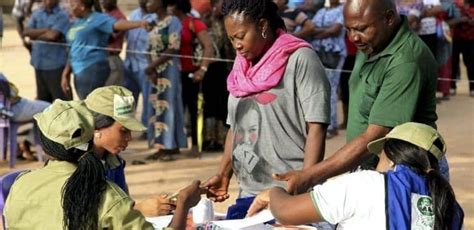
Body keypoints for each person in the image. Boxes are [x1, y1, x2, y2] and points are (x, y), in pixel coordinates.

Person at [273, 0, 445, 195]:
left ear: (388, 18)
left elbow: (376, 136)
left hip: (407, 177)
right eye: (348, 29)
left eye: (361, 29)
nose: (353, 37)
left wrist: (310, 176)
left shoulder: (406, 60)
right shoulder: (372, 43)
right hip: (372, 169)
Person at [4, 100, 203, 229]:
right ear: (95, 134)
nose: (129, 139)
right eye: (123, 130)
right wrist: (184, 203)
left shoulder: (19, 185)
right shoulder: (106, 195)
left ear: (46, 145)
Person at [203, 0, 330, 199]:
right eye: (231, 39)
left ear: (262, 26)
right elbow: (235, 127)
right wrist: (223, 174)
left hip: (289, 190)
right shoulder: (240, 69)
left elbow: (316, 126)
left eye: (240, 36)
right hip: (248, 192)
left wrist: (305, 181)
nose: (236, 45)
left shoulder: (300, 59)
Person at [247, 122, 464, 229]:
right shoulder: (449, 206)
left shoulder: (367, 185)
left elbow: (285, 212)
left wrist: (272, 192)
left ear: (390, 156)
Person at [61, 0, 149, 100]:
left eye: (72, 5)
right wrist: (66, 73)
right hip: (78, 70)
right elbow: (72, 49)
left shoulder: (97, 18)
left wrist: (139, 24)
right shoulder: (77, 22)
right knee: (85, 103)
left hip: (92, 67)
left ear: (82, 6)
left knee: (91, 105)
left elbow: (116, 24)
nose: (69, 8)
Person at [144, 0, 188, 160]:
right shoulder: (153, 23)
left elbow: (173, 47)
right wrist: (151, 68)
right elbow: (147, 49)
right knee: (156, 106)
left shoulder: (173, 21)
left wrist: (153, 66)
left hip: (169, 69)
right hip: (154, 71)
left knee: (168, 106)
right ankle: (161, 145)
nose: (147, 3)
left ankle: (169, 146)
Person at [171, 0, 215, 154]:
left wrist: (202, 69)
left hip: (192, 73)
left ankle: (196, 145)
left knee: (194, 110)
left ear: (176, 7)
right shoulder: (170, 24)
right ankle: (174, 144)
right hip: (175, 74)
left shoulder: (193, 23)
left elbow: (208, 45)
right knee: (176, 109)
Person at [23, 0, 72, 103]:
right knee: (43, 101)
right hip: (39, 64)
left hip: (55, 65)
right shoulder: (37, 13)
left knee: (60, 102)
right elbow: (26, 31)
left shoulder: (62, 16)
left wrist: (35, 35)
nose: (46, 1)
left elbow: (52, 35)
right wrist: (46, 30)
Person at [310, 0, 345, 138]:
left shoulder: (343, 10)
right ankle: (325, 125)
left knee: (331, 88)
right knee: (320, 88)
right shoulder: (321, 11)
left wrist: (317, 32)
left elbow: (335, 30)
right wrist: (324, 31)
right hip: (318, 51)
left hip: (334, 53)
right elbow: (310, 28)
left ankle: (331, 126)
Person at [202, 0, 234, 151]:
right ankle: (209, 139)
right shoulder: (205, 20)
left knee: (223, 103)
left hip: (226, 67)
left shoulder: (231, 20)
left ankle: (222, 140)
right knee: (209, 104)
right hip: (210, 67)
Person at [0, 73, 50, 160]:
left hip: (6, 113)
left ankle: (19, 147)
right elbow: (12, 93)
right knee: (49, 108)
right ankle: (28, 141)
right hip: (13, 109)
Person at [123, 0, 157, 129]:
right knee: (127, 100)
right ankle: (125, 128)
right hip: (129, 64)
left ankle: (147, 130)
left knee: (149, 101)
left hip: (145, 65)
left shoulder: (156, 17)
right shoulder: (134, 14)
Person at [100, 0, 127, 87]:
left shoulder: (119, 17)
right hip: (100, 59)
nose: (103, 1)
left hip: (111, 59)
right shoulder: (103, 15)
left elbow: (108, 36)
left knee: (109, 95)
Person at [451, 0, 474, 96]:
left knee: (471, 64)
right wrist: (460, 19)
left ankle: (472, 88)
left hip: (470, 40)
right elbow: (449, 22)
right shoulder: (456, 6)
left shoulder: (472, 8)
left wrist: (469, 20)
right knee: (454, 63)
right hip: (456, 39)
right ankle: (452, 86)